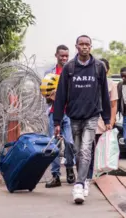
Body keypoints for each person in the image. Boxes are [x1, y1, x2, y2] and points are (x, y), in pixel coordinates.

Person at [53, 34, 112, 204]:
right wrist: (57, 121)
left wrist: (106, 118)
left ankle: (79, 185)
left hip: (92, 116)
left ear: (91, 47)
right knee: (79, 152)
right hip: (74, 117)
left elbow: (104, 95)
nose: (85, 47)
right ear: (76, 46)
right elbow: (61, 96)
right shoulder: (69, 68)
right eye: (82, 44)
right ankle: (85, 179)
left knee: (86, 150)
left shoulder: (99, 67)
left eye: (87, 44)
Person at [43, 45, 75, 188]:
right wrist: (52, 96)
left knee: (69, 142)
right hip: (53, 112)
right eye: (62, 56)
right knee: (55, 146)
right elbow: (45, 96)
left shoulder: (72, 71)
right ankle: (55, 176)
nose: (64, 58)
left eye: (66, 56)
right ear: (56, 55)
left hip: (69, 113)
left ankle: (69, 168)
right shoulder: (49, 73)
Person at [87, 58, 118, 195]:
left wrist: (111, 121)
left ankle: (101, 174)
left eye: (103, 68)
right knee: (89, 148)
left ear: (107, 70)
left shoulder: (112, 84)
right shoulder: (90, 82)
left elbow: (113, 105)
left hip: (104, 121)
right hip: (90, 119)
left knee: (102, 148)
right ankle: (89, 175)